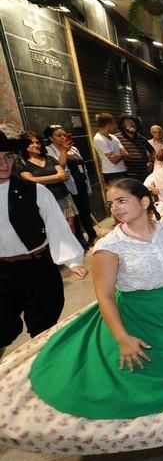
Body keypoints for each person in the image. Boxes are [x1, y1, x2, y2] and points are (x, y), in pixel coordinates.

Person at [0, 178, 163, 454]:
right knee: (144, 383)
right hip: (137, 314)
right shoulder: (109, 246)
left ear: (145, 202)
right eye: (111, 204)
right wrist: (122, 337)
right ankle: (158, 431)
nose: (115, 208)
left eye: (121, 200)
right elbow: (105, 296)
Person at [0, 133, 87, 361]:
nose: (3, 164)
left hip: (37, 267)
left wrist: (72, 260)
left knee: (43, 327)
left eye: (7, 156)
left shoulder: (34, 191)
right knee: (3, 329)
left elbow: (56, 226)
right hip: (2, 272)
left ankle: (46, 370)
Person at [44, 125, 97, 248]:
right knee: (73, 215)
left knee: (85, 211)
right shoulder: (49, 151)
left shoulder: (73, 148)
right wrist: (63, 151)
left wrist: (87, 183)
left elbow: (82, 166)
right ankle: (79, 239)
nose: (63, 137)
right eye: (59, 135)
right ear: (51, 138)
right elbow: (60, 166)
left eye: (64, 134)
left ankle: (92, 235)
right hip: (65, 187)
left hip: (80, 184)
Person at [15, 131, 78, 232]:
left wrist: (41, 180)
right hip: (42, 201)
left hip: (62, 197)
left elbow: (63, 176)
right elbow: (30, 181)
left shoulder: (50, 158)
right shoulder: (22, 163)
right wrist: (56, 177)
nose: (36, 145)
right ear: (24, 145)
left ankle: (74, 248)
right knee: (53, 230)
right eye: (31, 143)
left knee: (69, 227)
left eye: (38, 142)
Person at [114, 115, 154, 182]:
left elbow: (153, 151)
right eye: (128, 122)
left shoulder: (141, 138)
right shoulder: (116, 138)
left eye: (133, 122)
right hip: (127, 174)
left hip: (144, 173)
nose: (132, 124)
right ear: (122, 125)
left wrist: (151, 162)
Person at [92, 113, 127, 183]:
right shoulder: (98, 138)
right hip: (111, 172)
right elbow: (114, 160)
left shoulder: (113, 137)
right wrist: (122, 155)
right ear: (108, 124)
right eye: (114, 124)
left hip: (122, 170)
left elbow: (127, 153)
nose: (116, 126)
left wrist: (120, 155)